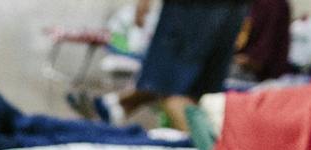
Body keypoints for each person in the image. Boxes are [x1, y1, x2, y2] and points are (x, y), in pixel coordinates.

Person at [100, 0, 250, 129]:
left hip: (210, 9)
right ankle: (116, 105)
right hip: (214, 8)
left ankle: (115, 105)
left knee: (185, 91)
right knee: (183, 89)